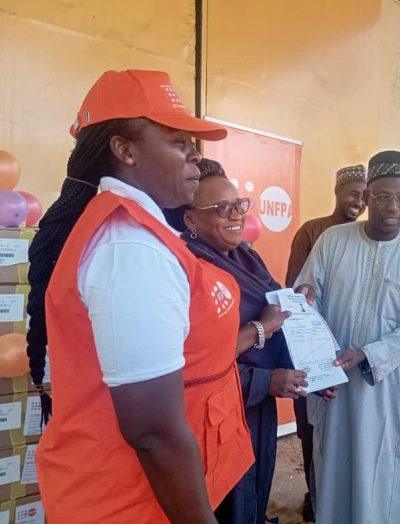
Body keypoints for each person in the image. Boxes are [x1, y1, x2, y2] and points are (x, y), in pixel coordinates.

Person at [25, 70, 254, 522]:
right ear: (125, 150)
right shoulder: (132, 250)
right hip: (129, 504)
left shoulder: (140, 231)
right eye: (178, 141)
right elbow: (152, 432)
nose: (195, 155)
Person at [163, 158, 313, 523]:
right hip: (215, 415)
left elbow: (275, 310)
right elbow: (192, 362)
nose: (236, 216)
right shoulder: (187, 269)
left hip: (257, 410)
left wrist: (297, 306)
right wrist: (265, 372)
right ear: (190, 219)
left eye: (239, 205)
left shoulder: (247, 256)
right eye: (221, 208)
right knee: (226, 505)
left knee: (255, 499)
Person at [294, 150, 400, 523]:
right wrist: (317, 360)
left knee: (382, 473)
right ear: (367, 197)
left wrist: (368, 354)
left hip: (386, 390)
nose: (394, 206)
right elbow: (308, 297)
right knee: (333, 470)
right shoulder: (333, 240)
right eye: (384, 196)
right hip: (335, 384)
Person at [284, 163, 367, 520]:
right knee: (311, 428)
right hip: (312, 347)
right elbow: (297, 289)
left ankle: (346, 498)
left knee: (351, 430)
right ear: (337, 192)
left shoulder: (367, 236)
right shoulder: (313, 232)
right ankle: (316, 496)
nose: (359, 202)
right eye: (353, 193)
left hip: (353, 351)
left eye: (365, 196)